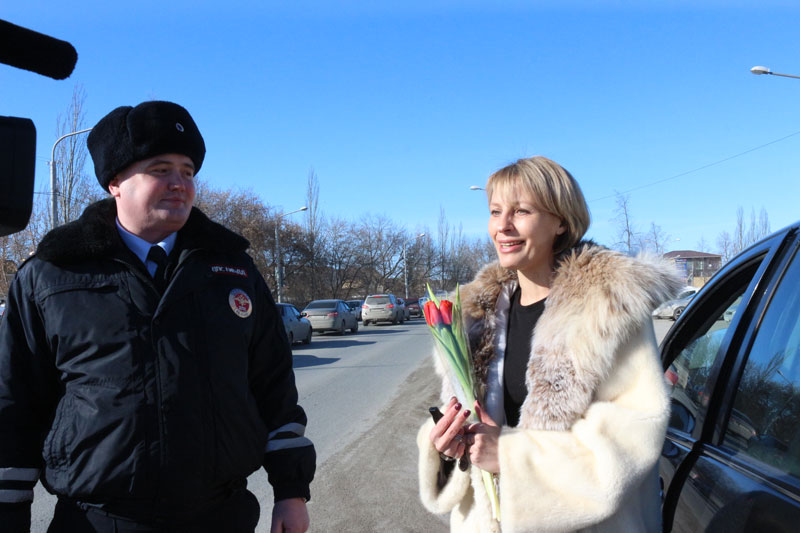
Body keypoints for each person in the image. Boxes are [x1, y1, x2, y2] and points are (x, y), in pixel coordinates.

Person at [0, 101, 315, 532]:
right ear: (114, 181)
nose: (178, 183)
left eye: (187, 171)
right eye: (160, 169)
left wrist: (291, 492)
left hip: (221, 516)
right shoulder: (53, 275)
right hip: (98, 521)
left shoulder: (233, 271)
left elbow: (274, 387)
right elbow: (14, 404)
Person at [417, 156, 681, 532]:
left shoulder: (607, 308)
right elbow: (464, 418)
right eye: (495, 211)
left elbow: (631, 437)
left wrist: (509, 456)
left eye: (521, 211)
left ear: (561, 221)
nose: (502, 226)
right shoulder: (476, 315)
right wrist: (446, 443)